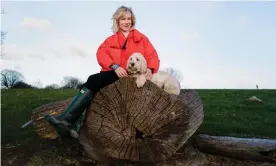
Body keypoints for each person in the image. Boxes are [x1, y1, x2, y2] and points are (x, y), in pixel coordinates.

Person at [44, 5, 160, 139]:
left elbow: (152, 55)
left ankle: (68, 122)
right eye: (123, 19)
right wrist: (115, 66)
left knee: (94, 81)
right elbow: (101, 53)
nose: (127, 22)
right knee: (93, 81)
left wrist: (151, 68)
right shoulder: (111, 40)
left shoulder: (141, 38)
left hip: (133, 75)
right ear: (117, 21)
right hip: (116, 73)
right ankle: (68, 122)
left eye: (129, 19)